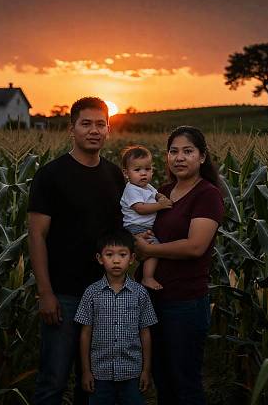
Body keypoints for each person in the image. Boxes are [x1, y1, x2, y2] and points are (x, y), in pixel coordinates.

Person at [27, 97, 126, 405]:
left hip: (103, 296)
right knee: (53, 381)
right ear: (72, 129)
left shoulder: (114, 176)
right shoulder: (51, 175)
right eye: (86, 124)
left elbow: (121, 235)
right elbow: (37, 236)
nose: (94, 131)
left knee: (93, 382)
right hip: (64, 296)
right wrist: (46, 293)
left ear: (108, 129)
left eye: (100, 124)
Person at [134, 126, 224, 405]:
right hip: (153, 300)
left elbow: (195, 245)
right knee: (163, 380)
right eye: (174, 151)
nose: (179, 158)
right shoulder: (162, 192)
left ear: (202, 157)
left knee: (185, 383)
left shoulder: (207, 195)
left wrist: (149, 249)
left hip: (184, 302)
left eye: (188, 151)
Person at [75, 230, 157, 405]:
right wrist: (86, 371)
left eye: (122, 254)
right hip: (100, 374)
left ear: (132, 258)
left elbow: (145, 333)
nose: (116, 260)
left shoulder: (140, 293)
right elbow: (85, 333)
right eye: (109, 255)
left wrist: (146, 370)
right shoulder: (91, 293)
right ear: (99, 258)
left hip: (132, 373)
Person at [120, 145, 173, 290]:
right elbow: (140, 208)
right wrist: (161, 206)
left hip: (146, 227)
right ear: (126, 173)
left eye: (147, 169)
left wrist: (161, 197)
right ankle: (147, 278)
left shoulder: (147, 187)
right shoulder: (131, 189)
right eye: (137, 170)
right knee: (153, 249)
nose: (143, 174)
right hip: (135, 227)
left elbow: (156, 195)